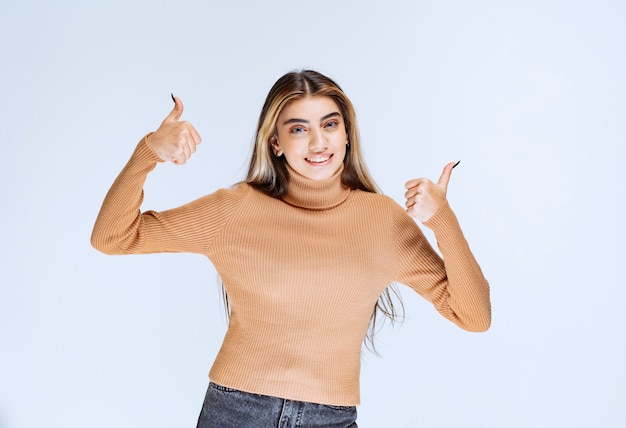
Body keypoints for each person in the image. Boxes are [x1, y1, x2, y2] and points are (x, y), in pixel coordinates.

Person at [91, 69, 491, 428]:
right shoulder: (234, 209)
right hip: (236, 413)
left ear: (347, 133)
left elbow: (474, 316)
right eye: (298, 129)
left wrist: (443, 220)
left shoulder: (383, 221)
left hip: (331, 418)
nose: (318, 142)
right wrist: (149, 153)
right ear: (276, 142)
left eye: (329, 124)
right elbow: (112, 237)